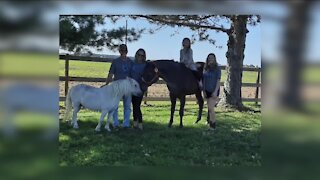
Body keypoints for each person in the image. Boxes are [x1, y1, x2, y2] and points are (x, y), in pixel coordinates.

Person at [106, 44, 133, 129]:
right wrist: (106, 84)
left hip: (127, 87)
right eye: (121, 50)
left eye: (124, 50)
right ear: (119, 51)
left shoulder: (131, 62)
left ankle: (126, 124)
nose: (123, 52)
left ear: (127, 51)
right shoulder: (115, 61)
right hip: (117, 86)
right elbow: (110, 74)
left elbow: (133, 75)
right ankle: (115, 123)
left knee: (127, 106)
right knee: (115, 106)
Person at [202, 53, 221, 130]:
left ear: (214, 59)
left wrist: (215, 91)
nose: (210, 59)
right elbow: (203, 81)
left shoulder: (217, 69)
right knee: (209, 108)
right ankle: (211, 123)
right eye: (209, 58)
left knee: (211, 108)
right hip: (206, 90)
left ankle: (213, 126)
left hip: (214, 90)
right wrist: (203, 91)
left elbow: (218, 81)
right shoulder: (205, 68)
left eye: (212, 58)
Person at [130, 48, 147, 130]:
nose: (140, 57)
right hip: (131, 87)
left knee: (137, 105)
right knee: (134, 105)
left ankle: (140, 123)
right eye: (139, 55)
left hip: (140, 88)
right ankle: (135, 123)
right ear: (136, 55)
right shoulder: (132, 63)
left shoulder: (145, 65)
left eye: (142, 55)